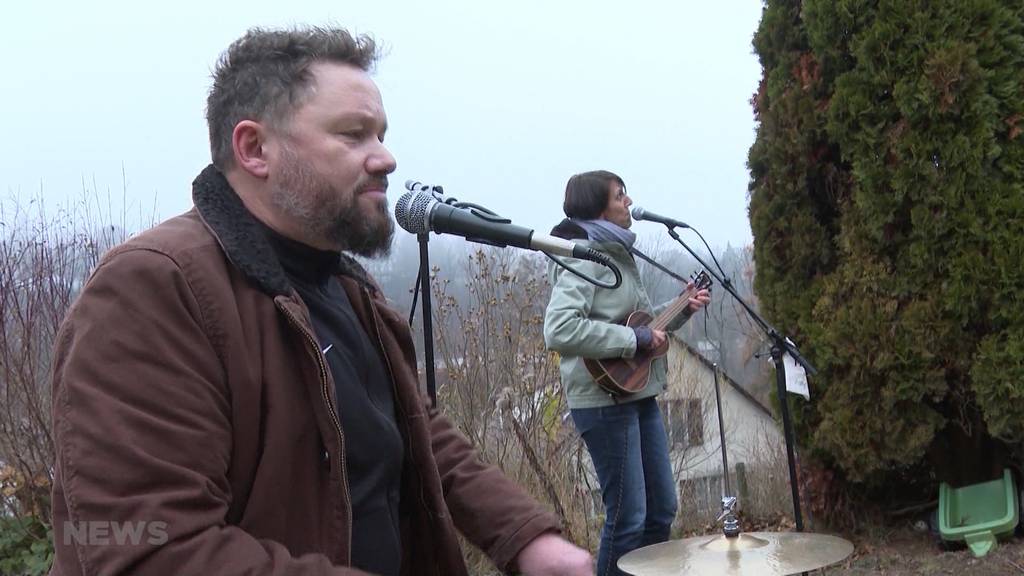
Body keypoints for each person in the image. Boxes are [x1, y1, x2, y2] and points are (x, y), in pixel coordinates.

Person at [48, 26, 594, 576]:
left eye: (381, 134)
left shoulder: (347, 287)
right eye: (354, 135)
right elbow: (150, 548)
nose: (385, 159)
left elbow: (414, 431)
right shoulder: (154, 289)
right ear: (255, 149)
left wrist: (528, 539)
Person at [543, 171, 711, 576]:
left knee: (662, 509)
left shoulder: (618, 252)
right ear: (599, 208)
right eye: (621, 196)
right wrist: (634, 340)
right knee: (628, 518)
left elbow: (643, 328)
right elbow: (560, 329)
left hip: (636, 393)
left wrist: (683, 307)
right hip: (602, 401)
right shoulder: (582, 254)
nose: (629, 201)